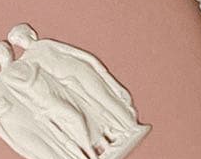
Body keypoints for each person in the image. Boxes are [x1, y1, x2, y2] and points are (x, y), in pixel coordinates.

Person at [7, 23, 139, 142]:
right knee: (93, 106)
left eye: (20, 37)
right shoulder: (27, 59)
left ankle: (131, 125)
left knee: (104, 97)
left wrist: (95, 63)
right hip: (69, 84)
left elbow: (73, 52)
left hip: (79, 71)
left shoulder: (44, 44)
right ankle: (119, 129)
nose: (20, 42)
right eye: (17, 42)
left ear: (29, 33)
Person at [0, 41, 100, 159]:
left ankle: (94, 152)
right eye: (4, 50)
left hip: (52, 93)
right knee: (76, 118)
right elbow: (25, 84)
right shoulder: (6, 75)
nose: (8, 51)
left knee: (74, 121)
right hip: (44, 101)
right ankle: (91, 155)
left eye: (7, 49)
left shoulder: (20, 63)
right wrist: (35, 69)